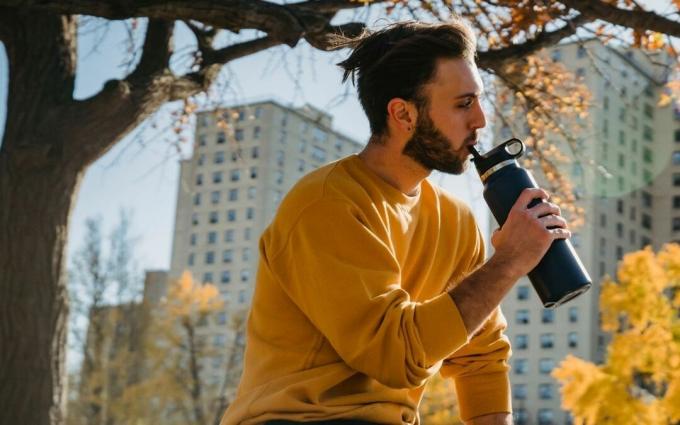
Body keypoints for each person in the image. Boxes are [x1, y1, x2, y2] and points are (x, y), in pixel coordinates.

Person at [220, 19, 570, 425]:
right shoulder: (327, 203)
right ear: (403, 114)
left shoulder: (454, 220)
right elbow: (394, 353)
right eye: (463, 104)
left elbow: (482, 357)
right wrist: (509, 262)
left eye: (477, 101)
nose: (480, 121)